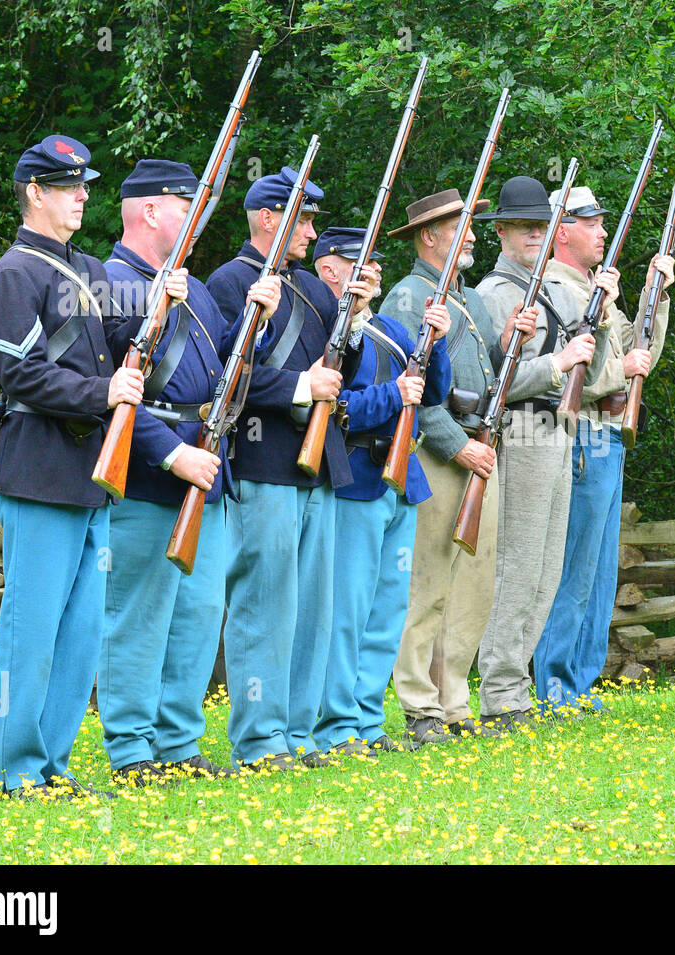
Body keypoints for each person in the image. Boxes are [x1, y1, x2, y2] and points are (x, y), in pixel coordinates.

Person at [98, 159, 280, 786]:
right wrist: (173, 453)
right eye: (184, 205)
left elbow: (225, 369)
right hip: (154, 471)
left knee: (199, 614)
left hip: (208, 464)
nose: (195, 217)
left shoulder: (193, 287)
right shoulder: (111, 284)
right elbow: (119, 391)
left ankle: (178, 744)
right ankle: (130, 749)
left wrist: (255, 321)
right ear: (150, 211)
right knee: (140, 617)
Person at [0, 134, 144, 800]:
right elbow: (23, 373)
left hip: (90, 475)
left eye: (85, 185)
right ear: (35, 193)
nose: (82, 196)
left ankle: (52, 763)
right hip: (40, 468)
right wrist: (102, 394)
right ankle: (15, 767)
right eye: (68, 186)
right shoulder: (13, 275)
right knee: (33, 625)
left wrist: (160, 309)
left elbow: (119, 351)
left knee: (80, 632)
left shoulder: (95, 271)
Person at [205, 166, 363, 770]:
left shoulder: (315, 290)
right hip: (264, 460)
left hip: (318, 463)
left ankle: (297, 733)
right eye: (303, 218)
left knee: (313, 612)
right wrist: (299, 385)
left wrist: (353, 317)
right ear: (269, 218)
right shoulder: (230, 283)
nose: (312, 230)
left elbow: (342, 363)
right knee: (264, 606)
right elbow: (225, 376)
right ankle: (260, 737)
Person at [381, 189, 536, 746]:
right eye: (461, 226)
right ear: (430, 235)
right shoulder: (409, 297)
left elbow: (484, 374)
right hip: (439, 454)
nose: (471, 235)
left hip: (479, 449)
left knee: (472, 587)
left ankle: (453, 701)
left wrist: (509, 339)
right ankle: (419, 705)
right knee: (427, 584)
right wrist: (454, 445)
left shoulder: (462, 297)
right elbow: (410, 388)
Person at [533, 184, 675, 715]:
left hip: (608, 439)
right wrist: (621, 368)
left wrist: (652, 299)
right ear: (562, 230)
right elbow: (559, 377)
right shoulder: (549, 288)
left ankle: (579, 682)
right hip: (581, 438)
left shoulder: (595, 287)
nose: (602, 231)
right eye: (590, 223)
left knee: (598, 571)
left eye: (601, 221)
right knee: (572, 567)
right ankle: (553, 686)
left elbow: (640, 357)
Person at [310, 226, 451, 755]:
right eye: (355, 263)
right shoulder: (330, 332)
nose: (369, 272)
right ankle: (338, 725)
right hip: (356, 476)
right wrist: (393, 393)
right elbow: (339, 411)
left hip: (400, 478)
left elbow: (432, 393)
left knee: (385, 609)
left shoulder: (390, 327)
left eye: (372, 264)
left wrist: (433, 341)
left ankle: (368, 720)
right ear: (329, 270)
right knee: (347, 611)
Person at [473, 176, 606, 730]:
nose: (533, 236)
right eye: (524, 227)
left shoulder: (552, 290)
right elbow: (489, 383)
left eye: (540, 227)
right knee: (518, 567)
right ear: (501, 231)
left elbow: (592, 372)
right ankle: (500, 692)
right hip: (521, 434)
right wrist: (557, 363)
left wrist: (591, 338)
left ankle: (516, 688)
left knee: (548, 570)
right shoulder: (492, 295)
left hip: (558, 434)